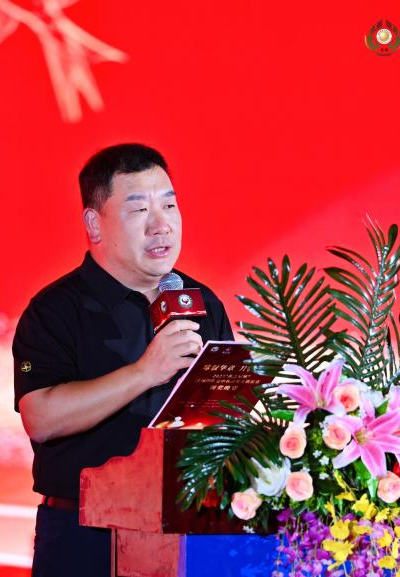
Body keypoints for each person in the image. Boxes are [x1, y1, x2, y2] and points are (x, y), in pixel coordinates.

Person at [12, 143, 234, 576]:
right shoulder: (55, 311)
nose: (161, 225)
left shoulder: (202, 302)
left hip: (192, 532)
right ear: (94, 224)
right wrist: (145, 372)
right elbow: (41, 417)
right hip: (86, 538)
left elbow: (224, 416)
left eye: (169, 205)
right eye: (139, 210)